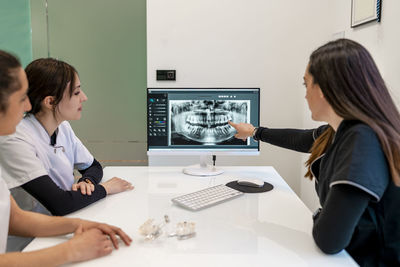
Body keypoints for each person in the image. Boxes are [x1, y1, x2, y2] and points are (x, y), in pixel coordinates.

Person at [228, 39, 400, 266]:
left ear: (326, 89)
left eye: (306, 84)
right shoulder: (344, 130)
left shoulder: (362, 142)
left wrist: (318, 215)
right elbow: (302, 139)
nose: (305, 94)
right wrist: (255, 132)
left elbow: (329, 239)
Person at [0, 50, 132, 265]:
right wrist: (72, 250)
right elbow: (58, 204)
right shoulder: (13, 139)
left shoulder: (61, 129)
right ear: (50, 102)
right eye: (22, 97)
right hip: (23, 250)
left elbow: (15, 218)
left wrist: (80, 224)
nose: (27, 107)